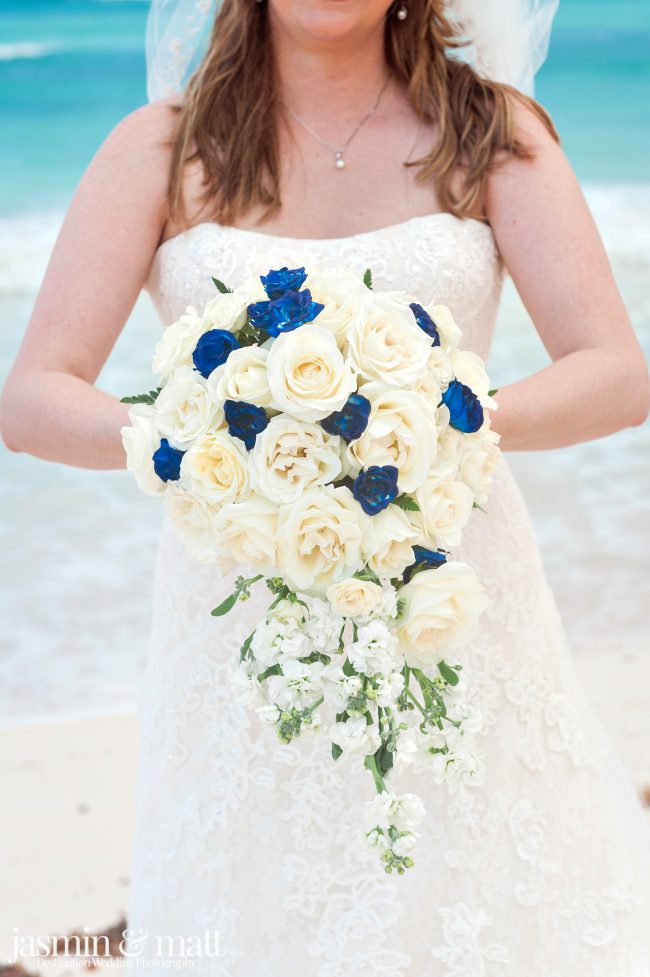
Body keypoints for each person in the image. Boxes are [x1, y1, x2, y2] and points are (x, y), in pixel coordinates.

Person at [1, 1, 649, 973]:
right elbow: (35, 397)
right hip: (235, 618)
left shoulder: (489, 133)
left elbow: (612, 370)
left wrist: (426, 415)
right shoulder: (161, 148)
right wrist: (201, 438)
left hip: (445, 592)